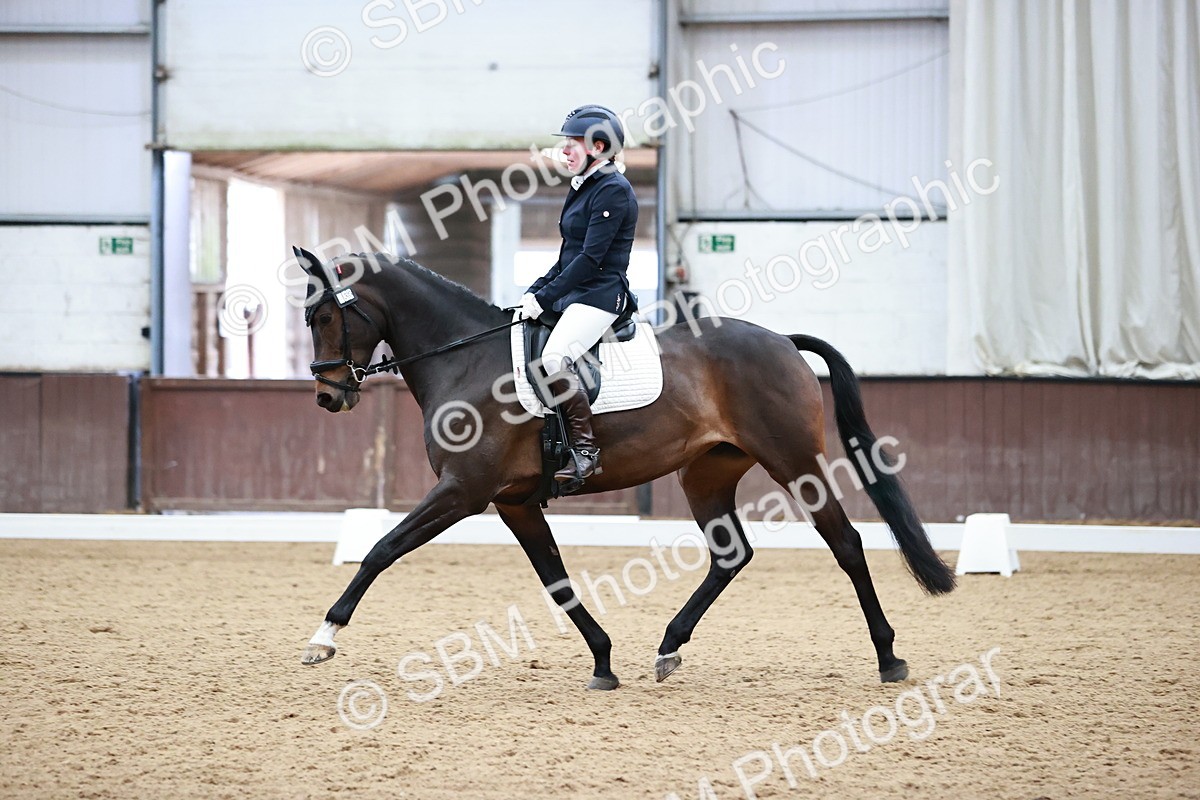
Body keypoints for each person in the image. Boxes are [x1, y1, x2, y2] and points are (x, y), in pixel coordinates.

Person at [519, 104, 638, 487]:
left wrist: (548, 295)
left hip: (601, 295)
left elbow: (590, 259)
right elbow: (568, 255)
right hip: (577, 293)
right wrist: (536, 291)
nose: (564, 152)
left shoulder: (613, 191)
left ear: (598, 147)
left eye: (572, 144)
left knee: (554, 358)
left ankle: (586, 453)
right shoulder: (585, 187)